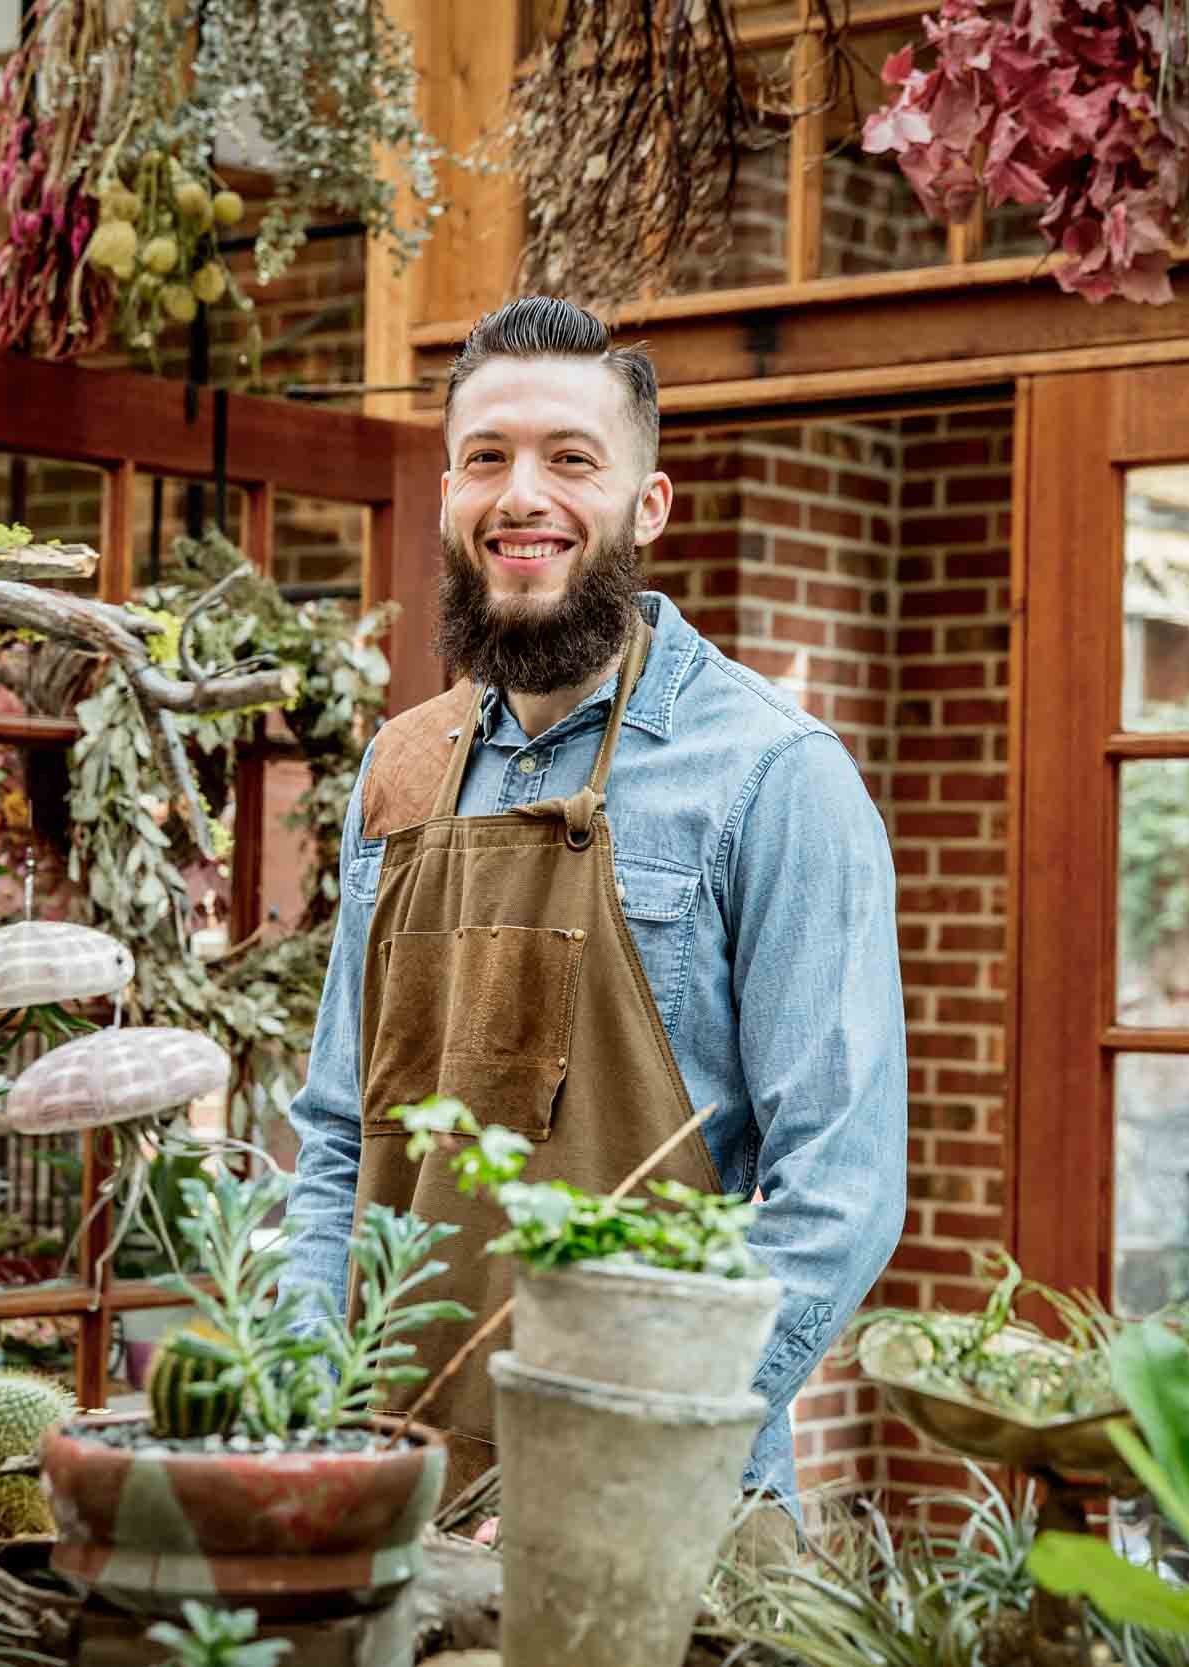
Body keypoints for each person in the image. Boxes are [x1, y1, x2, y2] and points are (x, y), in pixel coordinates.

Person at [283, 295, 907, 1503]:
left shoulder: (772, 776)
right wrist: (301, 1399)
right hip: (382, 1477)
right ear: (452, 494)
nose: (523, 494)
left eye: (571, 459)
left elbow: (838, 1193)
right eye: (486, 458)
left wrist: (645, 1430)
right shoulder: (401, 764)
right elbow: (337, 1137)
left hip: (653, 1488)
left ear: (647, 505)